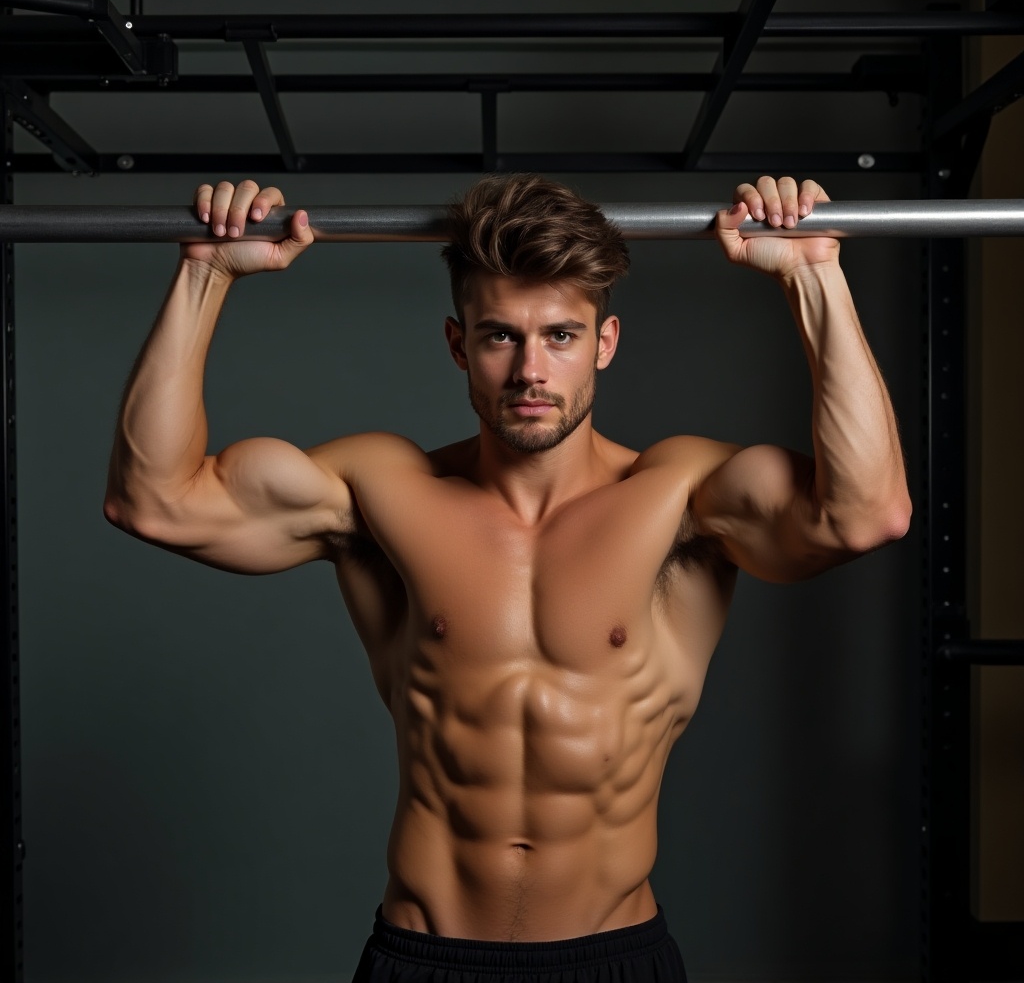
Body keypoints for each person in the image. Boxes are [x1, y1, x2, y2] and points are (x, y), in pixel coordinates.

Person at [104, 174, 911, 983]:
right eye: (501, 337)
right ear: (459, 345)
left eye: (561, 336)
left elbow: (865, 513)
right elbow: (155, 501)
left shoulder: (678, 499)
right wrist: (204, 275)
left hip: (613, 957)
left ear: (605, 343)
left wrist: (815, 278)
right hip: (424, 956)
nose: (531, 370)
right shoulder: (383, 492)